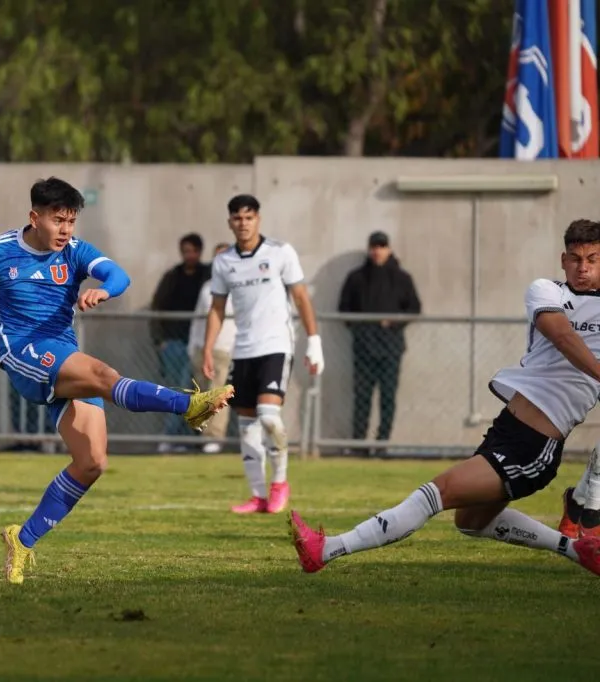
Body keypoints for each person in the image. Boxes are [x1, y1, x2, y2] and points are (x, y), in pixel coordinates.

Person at [289, 219, 600, 578]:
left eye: (592, 259)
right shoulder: (546, 290)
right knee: (469, 521)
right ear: (563, 260)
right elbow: (561, 335)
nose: (583, 267)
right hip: (507, 430)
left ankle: (326, 549)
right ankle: (578, 550)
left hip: (535, 446)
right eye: (575, 258)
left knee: (436, 492)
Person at [0, 177, 234, 585]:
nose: (66, 230)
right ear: (34, 217)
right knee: (104, 375)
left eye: (72, 221)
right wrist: (5, 341)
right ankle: (188, 405)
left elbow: (118, 276)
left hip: (63, 357)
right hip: (27, 354)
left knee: (92, 462)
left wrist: (104, 292)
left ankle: (21, 540)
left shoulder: (75, 252)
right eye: (58, 221)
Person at [202, 194, 323, 515]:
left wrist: (314, 340)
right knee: (247, 427)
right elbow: (216, 309)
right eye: (237, 218)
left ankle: (280, 482)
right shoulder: (223, 261)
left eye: (249, 217)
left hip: (276, 345)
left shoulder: (280, 252)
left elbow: (300, 296)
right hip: (243, 350)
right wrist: (209, 349)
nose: (243, 223)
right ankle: (257, 496)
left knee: (269, 417)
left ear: (258, 219)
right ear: (230, 222)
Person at [338, 231, 421, 447]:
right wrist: (361, 327)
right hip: (364, 347)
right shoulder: (356, 278)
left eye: (382, 246)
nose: (377, 251)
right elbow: (343, 309)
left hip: (391, 347)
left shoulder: (402, 278)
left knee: (387, 398)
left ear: (389, 249)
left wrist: (393, 323)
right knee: (362, 397)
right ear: (369, 249)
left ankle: (382, 443)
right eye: (374, 246)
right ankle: (359, 444)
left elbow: (414, 308)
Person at [150, 233, 211, 449]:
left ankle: (188, 439)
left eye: (193, 251)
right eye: (186, 251)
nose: (190, 255)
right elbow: (157, 308)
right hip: (174, 343)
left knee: (198, 392)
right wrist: (160, 341)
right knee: (178, 390)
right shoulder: (173, 277)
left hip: (200, 343)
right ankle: (170, 437)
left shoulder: (208, 276)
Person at [189, 242, 236, 454]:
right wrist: (194, 346)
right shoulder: (207, 287)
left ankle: (215, 437)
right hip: (202, 348)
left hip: (224, 348)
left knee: (218, 392)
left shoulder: (238, 286)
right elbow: (199, 319)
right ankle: (202, 435)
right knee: (201, 393)